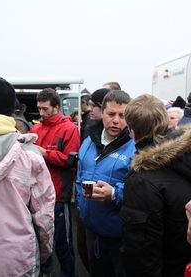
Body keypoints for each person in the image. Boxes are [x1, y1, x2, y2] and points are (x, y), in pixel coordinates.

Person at [120, 94, 191, 277]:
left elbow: (141, 254)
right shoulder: (186, 155)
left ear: (132, 132)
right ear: (166, 123)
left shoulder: (142, 181)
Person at [0, 76, 55, 276]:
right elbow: (44, 216)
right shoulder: (30, 154)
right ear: (12, 110)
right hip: (16, 259)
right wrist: (43, 254)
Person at [76, 90, 136, 277]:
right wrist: (80, 206)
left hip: (120, 238)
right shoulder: (88, 141)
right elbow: (79, 177)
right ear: (102, 113)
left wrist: (115, 194)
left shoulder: (136, 147)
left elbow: (143, 191)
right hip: (92, 232)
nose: (116, 120)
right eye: (111, 114)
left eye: (122, 115)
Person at [29, 87, 80, 277]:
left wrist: (45, 153)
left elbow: (71, 160)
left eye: (45, 109)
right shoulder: (35, 129)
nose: (41, 113)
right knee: (41, 240)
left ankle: (69, 274)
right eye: (39, 108)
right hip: (37, 195)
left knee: (63, 242)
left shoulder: (69, 129)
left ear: (56, 107)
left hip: (59, 195)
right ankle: (46, 272)